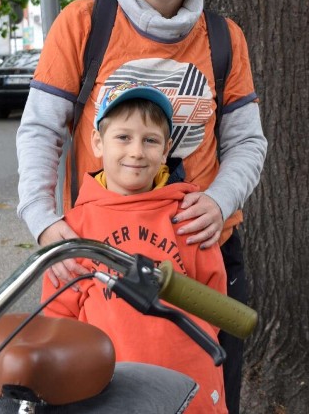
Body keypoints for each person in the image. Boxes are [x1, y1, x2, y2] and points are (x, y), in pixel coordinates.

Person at [16, 0, 267, 414]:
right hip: (101, 256)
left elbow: (247, 141)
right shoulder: (85, 24)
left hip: (203, 260)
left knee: (205, 397)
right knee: (95, 399)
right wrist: (42, 220)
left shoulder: (226, 39)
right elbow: (41, 129)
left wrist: (220, 200)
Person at [41, 81, 228, 413]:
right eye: (123, 137)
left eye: (150, 140)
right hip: (110, 393)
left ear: (166, 148)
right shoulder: (76, 228)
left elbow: (215, 305)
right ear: (98, 142)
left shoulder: (187, 215)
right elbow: (59, 319)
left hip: (191, 389)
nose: (137, 152)